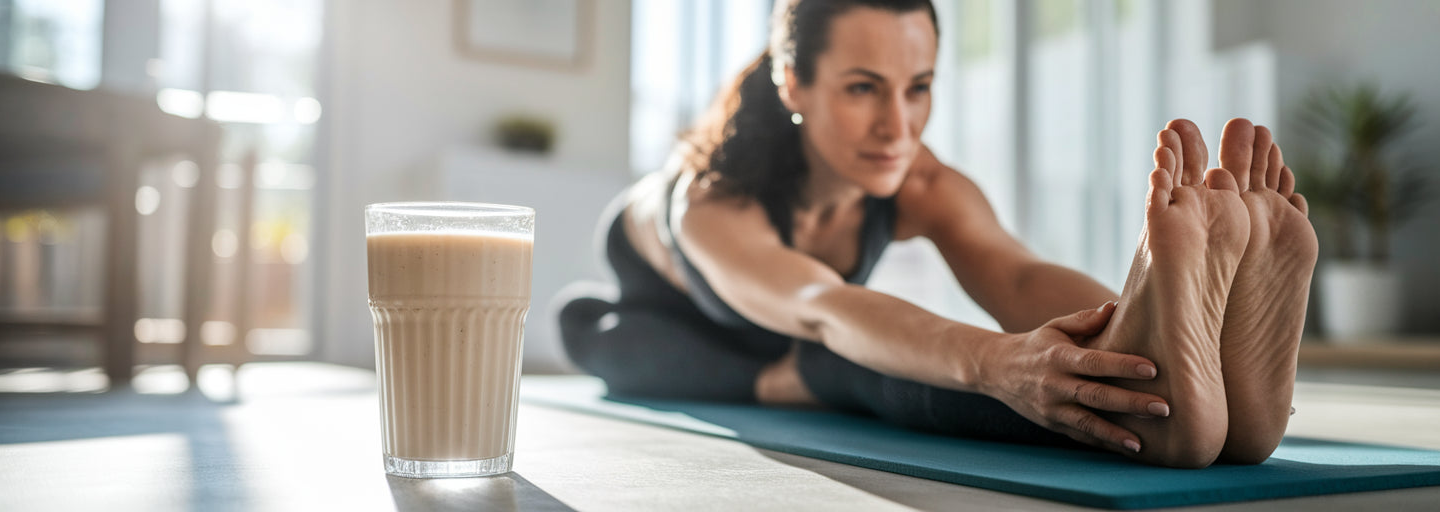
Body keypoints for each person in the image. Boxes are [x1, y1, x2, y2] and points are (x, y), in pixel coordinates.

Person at [554, 0, 1317, 469]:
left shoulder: (919, 177)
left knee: (853, 356)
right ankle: (1166, 415)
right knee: (587, 325)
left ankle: (1188, 396)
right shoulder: (713, 201)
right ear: (795, 83)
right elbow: (823, 302)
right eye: (862, 89)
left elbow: (1015, 276)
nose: (897, 128)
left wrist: (1129, 332)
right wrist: (997, 362)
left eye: (917, 88)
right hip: (672, 327)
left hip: (811, 329)